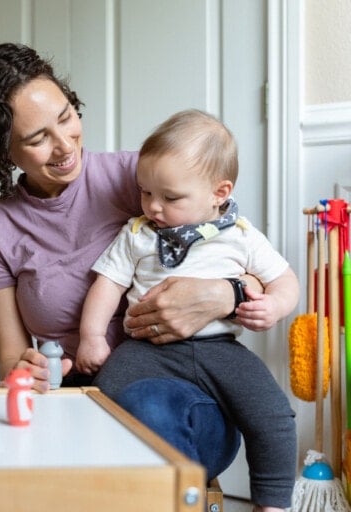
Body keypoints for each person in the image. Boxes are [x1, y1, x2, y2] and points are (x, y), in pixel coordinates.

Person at [0, 42, 270, 488]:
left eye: (67, 116)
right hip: (80, 405)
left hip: (186, 391)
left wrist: (227, 292)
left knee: (146, 407)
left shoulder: (143, 180)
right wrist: (27, 371)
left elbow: (245, 255)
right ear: (2, 152)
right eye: (37, 139)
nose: (64, 145)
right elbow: (12, 362)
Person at [81, 109, 297, 511]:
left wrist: (274, 306)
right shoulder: (137, 233)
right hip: (146, 348)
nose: (154, 207)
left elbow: (285, 281)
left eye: (170, 197)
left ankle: (273, 502)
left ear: (219, 192)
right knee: (104, 398)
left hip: (221, 349)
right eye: (146, 192)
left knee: (272, 415)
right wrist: (92, 337)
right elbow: (107, 284)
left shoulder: (241, 236)